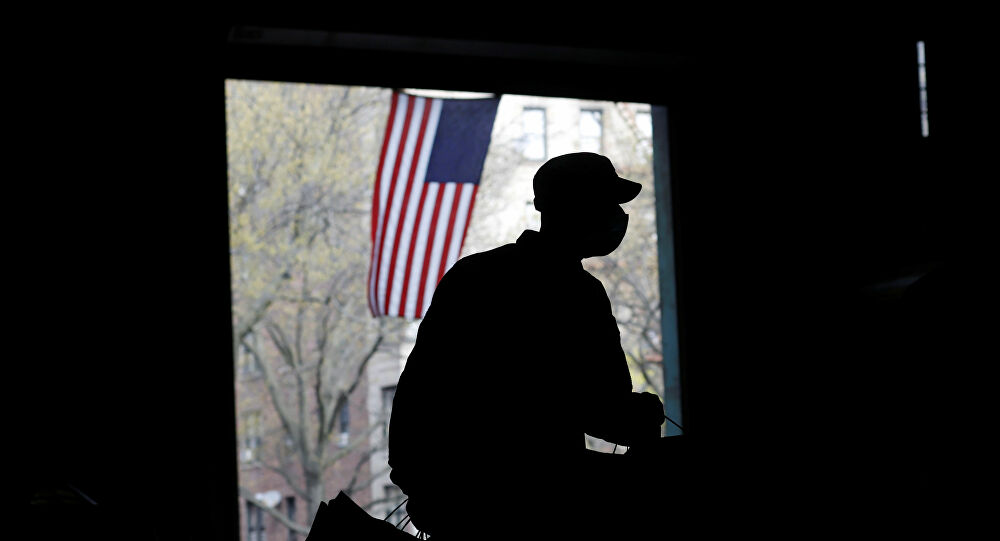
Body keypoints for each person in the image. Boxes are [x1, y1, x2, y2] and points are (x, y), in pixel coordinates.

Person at [387, 152, 668, 539]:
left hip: (452, 502)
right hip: (538, 508)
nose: (617, 215)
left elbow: (417, 394)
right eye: (609, 202)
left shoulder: (472, 275)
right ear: (581, 207)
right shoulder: (578, 293)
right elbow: (605, 412)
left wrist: (425, 487)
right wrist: (643, 415)